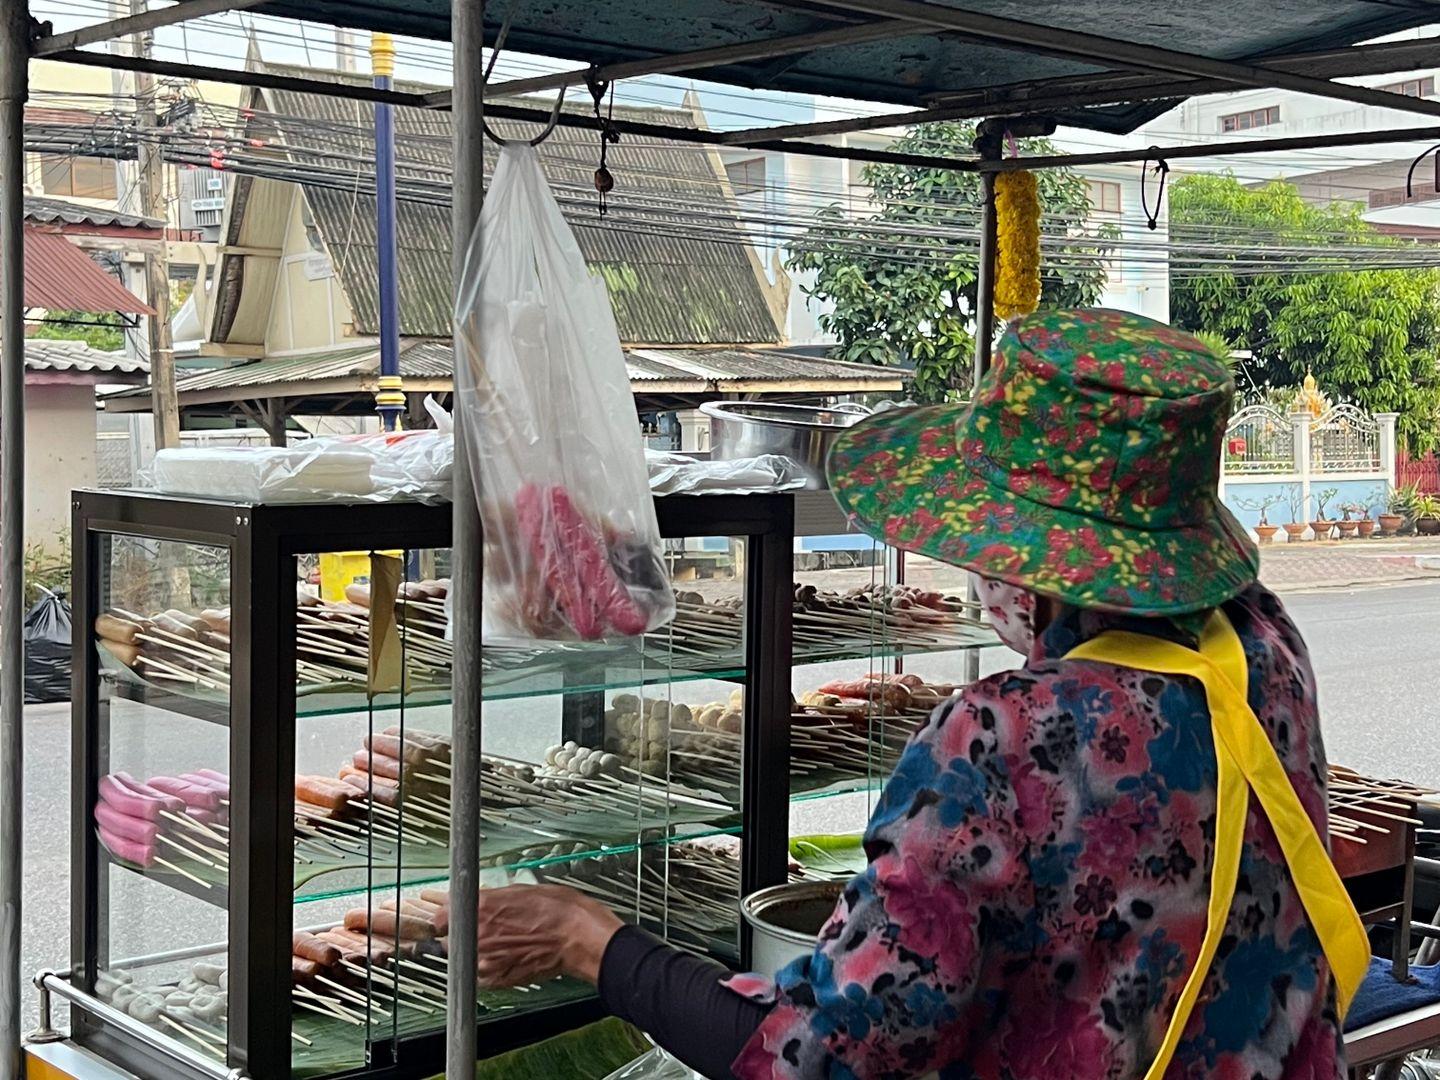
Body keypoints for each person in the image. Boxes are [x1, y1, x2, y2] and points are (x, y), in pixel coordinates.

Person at [474, 309, 1370, 1079]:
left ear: (1036, 567)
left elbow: (824, 1056)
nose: (977, 566)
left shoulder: (1001, 737)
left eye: (990, 543)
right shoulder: (1265, 649)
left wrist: (586, 940)